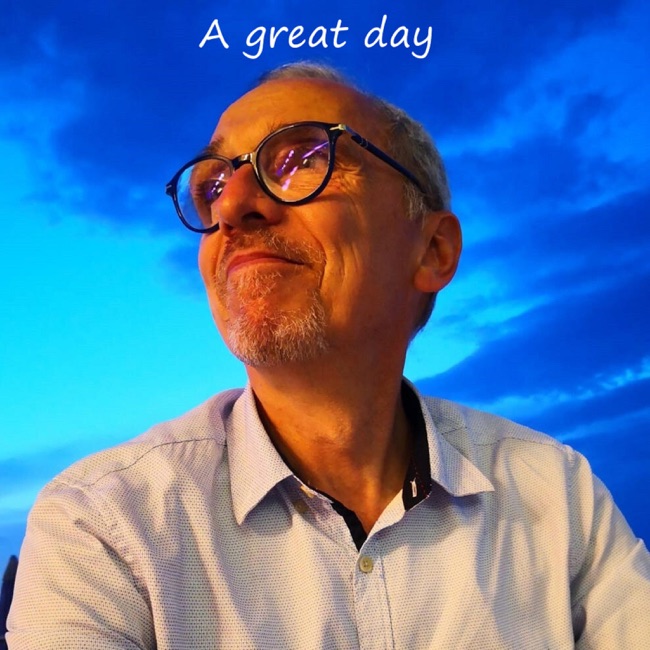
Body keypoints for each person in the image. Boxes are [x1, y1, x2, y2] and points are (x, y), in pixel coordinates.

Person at [7, 62, 650, 649]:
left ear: (432, 251)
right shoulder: (105, 525)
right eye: (212, 186)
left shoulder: (559, 497)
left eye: (301, 159)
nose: (232, 207)